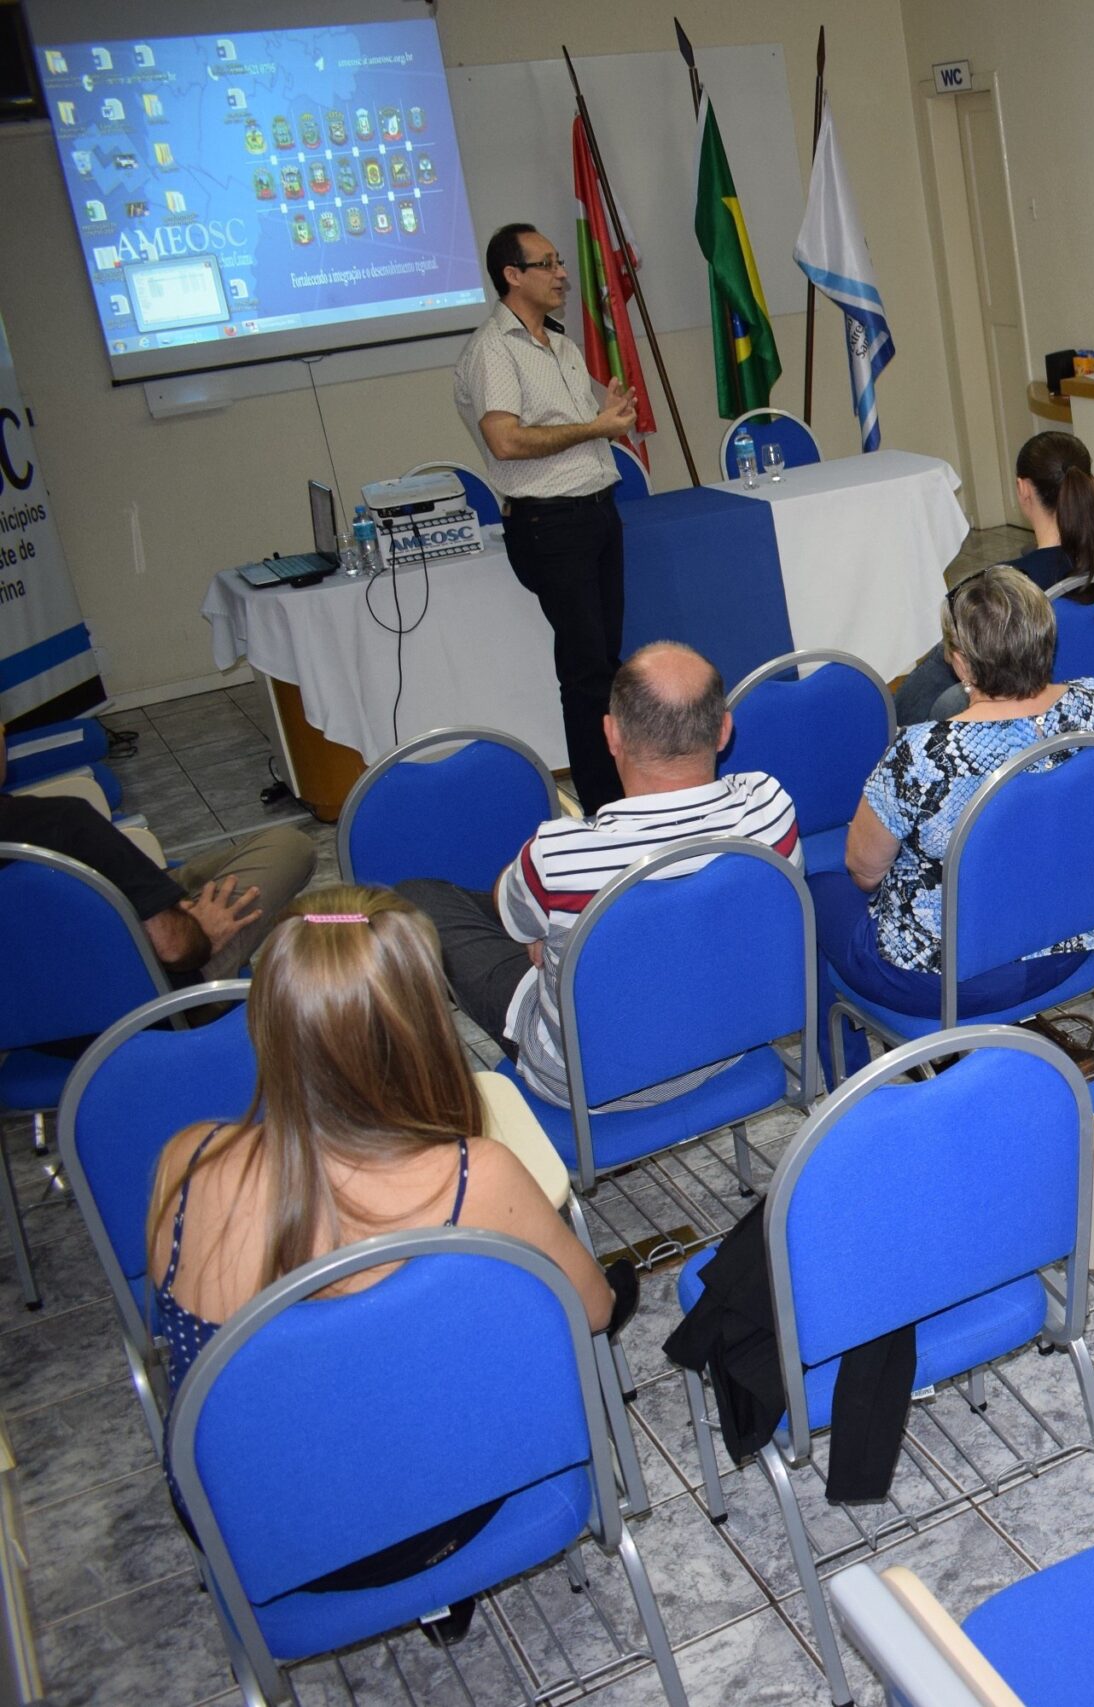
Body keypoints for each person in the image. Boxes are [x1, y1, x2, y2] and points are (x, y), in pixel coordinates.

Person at [147, 886, 620, 1630]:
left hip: (271, 1544)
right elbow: (592, 1311)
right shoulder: (476, 1172)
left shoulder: (184, 1160)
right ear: (421, 1023)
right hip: (463, 1500)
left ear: (267, 1020)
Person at [395, 642, 800, 1109]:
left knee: (417, 898)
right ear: (724, 730)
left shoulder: (559, 853)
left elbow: (513, 921)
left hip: (590, 1084)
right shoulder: (770, 807)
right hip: (730, 1045)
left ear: (611, 735)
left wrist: (545, 920)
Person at [837, 566, 1094, 1017]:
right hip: (1067, 950)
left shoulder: (921, 754)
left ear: (960, 662)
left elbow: (864, 872)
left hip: (947, 980)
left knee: (820, 898)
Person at [456, 223, 640, 812]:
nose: (563, 274)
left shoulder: (558, 343)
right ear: (513, 275)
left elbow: (588, 419)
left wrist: (606, 410)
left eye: (561, 262)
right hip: (550, 523)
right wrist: (597, 426)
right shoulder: (493, 350)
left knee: (602, 660)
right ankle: (605, 803)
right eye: (548, 264)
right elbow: (506, 441)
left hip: (596, 511)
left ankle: (616, 790)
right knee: (587, 671)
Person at [894, 432, 1094, 725]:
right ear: (1092, 485)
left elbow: (911, 706)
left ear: (1023, 490)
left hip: (1041, 731)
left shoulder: (1003, 589)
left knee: (944, 676)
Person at [0, 795, 313, 983]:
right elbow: (175, 948)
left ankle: (170, 901)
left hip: (23, 1007)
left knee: (179, 880)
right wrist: (197, 931)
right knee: (290, 846)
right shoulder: (62, 820)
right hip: (142, 998)